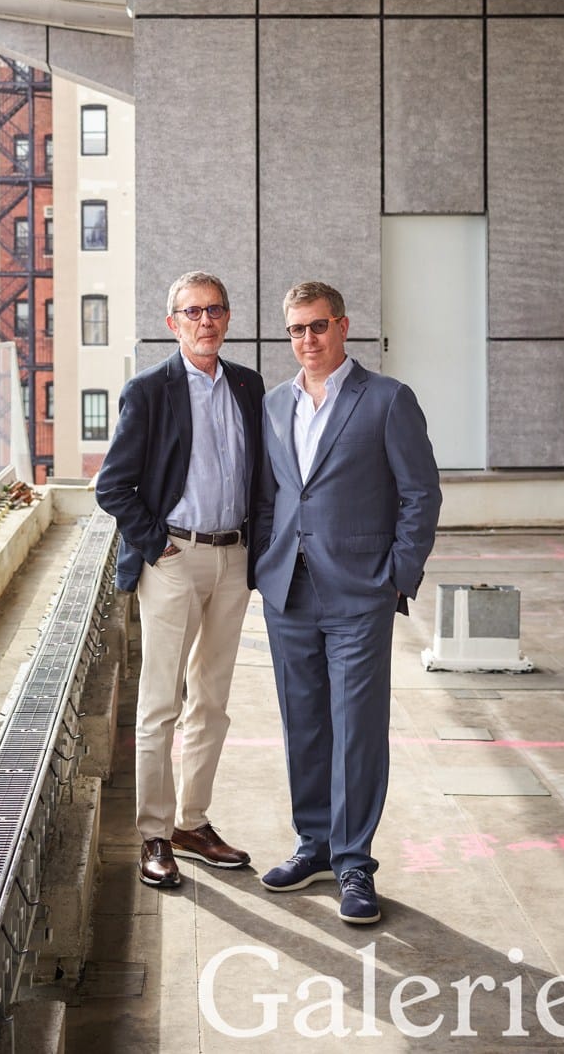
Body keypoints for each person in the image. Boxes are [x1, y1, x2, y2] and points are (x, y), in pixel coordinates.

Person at [254, 281, 441, 924]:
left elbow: (421, 493)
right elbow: (269, 496)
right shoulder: (274, 403)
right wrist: (264, 564)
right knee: (303, 723)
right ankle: (313, 845)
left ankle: (354, 861)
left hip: (361, 591)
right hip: (288, 589)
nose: (307, 339)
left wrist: (398, 576)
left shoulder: (386, 399)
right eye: (296, 329)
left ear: (343, 325)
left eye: (318, 325)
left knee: (356, 728)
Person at [95, 270, 265, 889]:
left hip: (233, 557)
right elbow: (112, 486)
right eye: (192, 312)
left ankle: (193, 824)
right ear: (173, 323)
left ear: (228, 318)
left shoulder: (248, 385)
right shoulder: (148, 391)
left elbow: (261, 475)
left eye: (214, 309)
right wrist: (158, 546)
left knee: (212, 700)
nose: (205, 321)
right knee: (161, 703)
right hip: (174, 558)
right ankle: (154, 834)